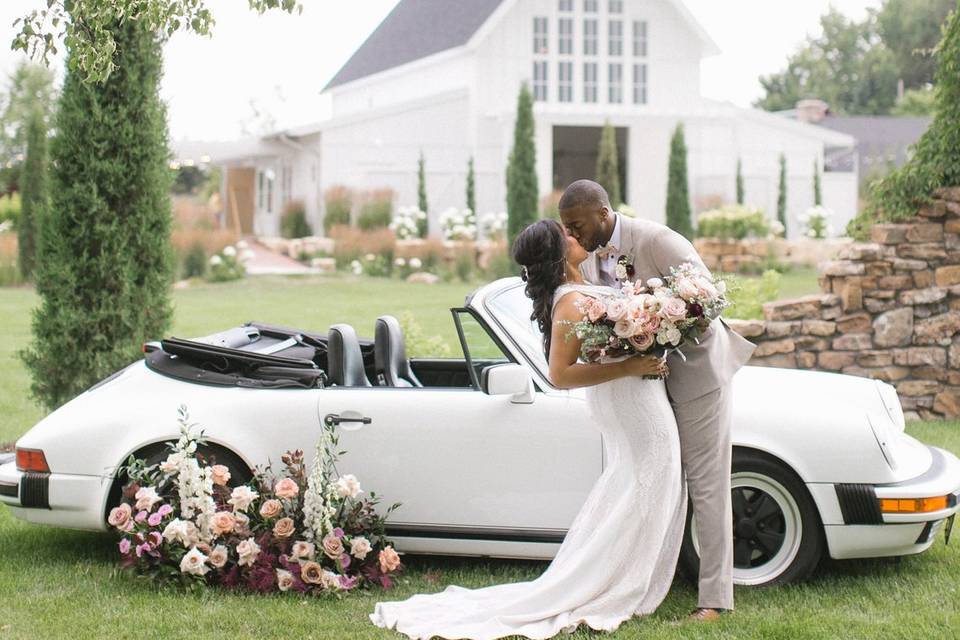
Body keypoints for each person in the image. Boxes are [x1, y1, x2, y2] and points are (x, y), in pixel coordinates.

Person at [369, 218, 687, 639]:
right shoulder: (570, 300)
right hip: (629, 397)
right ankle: (619, 584)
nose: (578, 237)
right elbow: (559, 373)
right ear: (557, 255)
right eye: (568, 237)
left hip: (633, 393)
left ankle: (625, 575)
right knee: (648, 480)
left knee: (642, 483)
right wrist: (630, 363)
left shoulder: (582, 284)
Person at [559, 179, 756, 622]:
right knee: (658, 480)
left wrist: (659, 321)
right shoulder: (589, 258)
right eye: (566, 228)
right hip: (644, 387)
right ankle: (643, 581)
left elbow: (709, 299)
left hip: (697, 376)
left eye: (576, 225)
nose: (572, 235)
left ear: (603, 213)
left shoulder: (657, 239)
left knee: (706, 483)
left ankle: (715, 600)